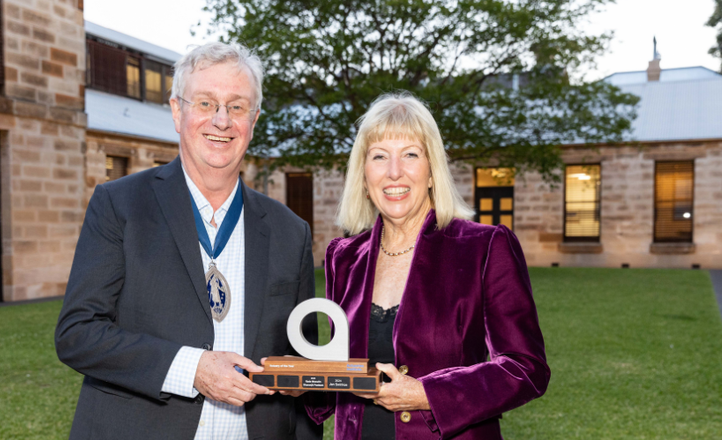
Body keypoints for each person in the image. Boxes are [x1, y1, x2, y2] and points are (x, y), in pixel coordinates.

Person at [55, 42, 321, 440]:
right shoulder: (119, 205)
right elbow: (77, 333)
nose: (221, 120)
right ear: (177, 111)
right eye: (205, 103)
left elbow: (302, 369)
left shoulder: (290, 231)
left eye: (236, 106)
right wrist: (192, 368)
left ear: (254, 119)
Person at [304, 92, 550, 439]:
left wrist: (426, 395)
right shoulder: (344, 258)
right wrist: (296, 381)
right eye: (379, 156)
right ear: (362, 174)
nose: (394, 172)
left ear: (432, 170)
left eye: (410, 155)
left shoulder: (484, 247)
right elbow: (343, 374)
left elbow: (526, 369)